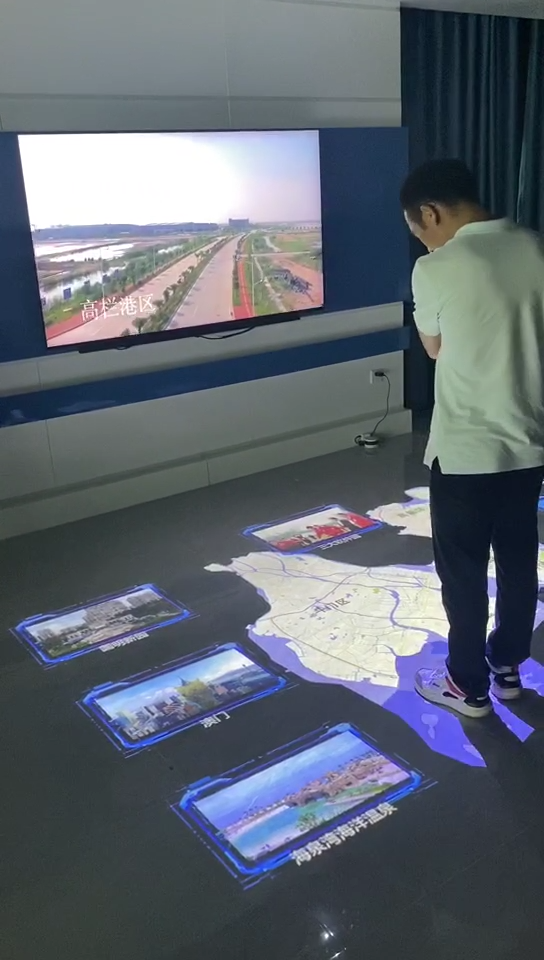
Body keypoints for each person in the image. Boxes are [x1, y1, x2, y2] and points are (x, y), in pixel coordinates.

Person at [400, 158, 544, 718]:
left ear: (430, 213)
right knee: (518, 560)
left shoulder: (436, 267)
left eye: (418, 229)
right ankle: (507, 667)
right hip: (529, 441)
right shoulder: (534, 247)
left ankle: (467, 685)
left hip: (464, 449)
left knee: (462, 572)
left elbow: (435, 349)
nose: (422, 239)